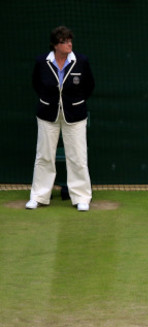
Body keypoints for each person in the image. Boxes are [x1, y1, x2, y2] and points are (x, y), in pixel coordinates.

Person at [26, 26, 95, 212]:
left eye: (70, 40)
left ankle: (81, 197)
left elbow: (89, 86)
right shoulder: (42, 62)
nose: (69, 44)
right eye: (65, 41)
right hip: (47, 115)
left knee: (78, 157)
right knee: (44, 156)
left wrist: (74, 103)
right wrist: (51, 102)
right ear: (56, 45)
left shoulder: (81, 61)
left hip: (75, 115)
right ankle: (39, 196)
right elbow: (36, 84)